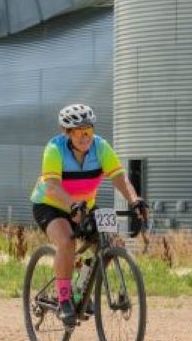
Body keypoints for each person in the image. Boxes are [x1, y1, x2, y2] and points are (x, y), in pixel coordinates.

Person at [30, 103, 149, 327]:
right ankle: (64, 299)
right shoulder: (54, 149)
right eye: (79, 132)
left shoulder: (101, 147)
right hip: (51, 204)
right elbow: (52, 186)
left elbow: (120, 178)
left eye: (88, 130)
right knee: (67, 241)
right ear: (67, 133)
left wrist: (135, 200)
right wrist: (72, 206)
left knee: (111, 245)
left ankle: (80, 287)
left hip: (85, 206)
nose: (85, 136)